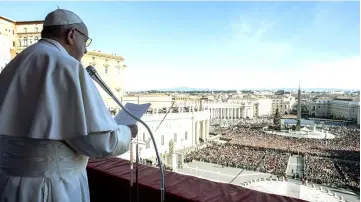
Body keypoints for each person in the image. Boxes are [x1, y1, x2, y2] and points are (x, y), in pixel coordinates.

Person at [0, 9, 137, 202]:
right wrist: (127, 133)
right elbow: (97, 143)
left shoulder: (14, 64)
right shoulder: (67, 66)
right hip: (52, 190)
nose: (86, 50)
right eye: (86, 41)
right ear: (71, 35)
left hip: (8, 186)